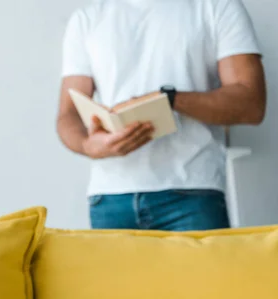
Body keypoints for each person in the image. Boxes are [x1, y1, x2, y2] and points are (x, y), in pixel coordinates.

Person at [57, 0, 267, 231]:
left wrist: (167, 99)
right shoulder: (87, 19)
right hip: (110, 198)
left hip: (193, 193)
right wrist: (89, 146)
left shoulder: (216, 7)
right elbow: (69, 114)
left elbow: (251, 104)